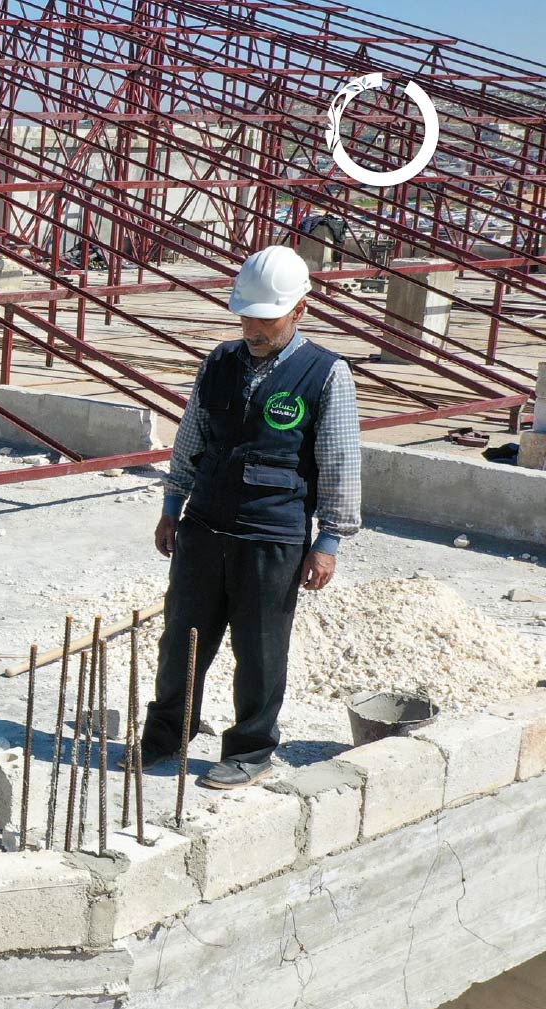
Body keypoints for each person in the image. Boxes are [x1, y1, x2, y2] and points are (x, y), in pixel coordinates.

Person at [141, 245, 360, 789]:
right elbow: (191, 437)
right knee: (182, 637)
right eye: (246, 316)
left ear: (300, 310)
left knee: (260, 648)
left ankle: (250, 748)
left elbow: (339, 462)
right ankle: (168, 732)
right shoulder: (219, 362)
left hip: (273, 533)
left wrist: (329, 539)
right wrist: (173, 505)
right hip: (204, 524)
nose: (253, 328)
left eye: (266, 319)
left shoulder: (326, 375)